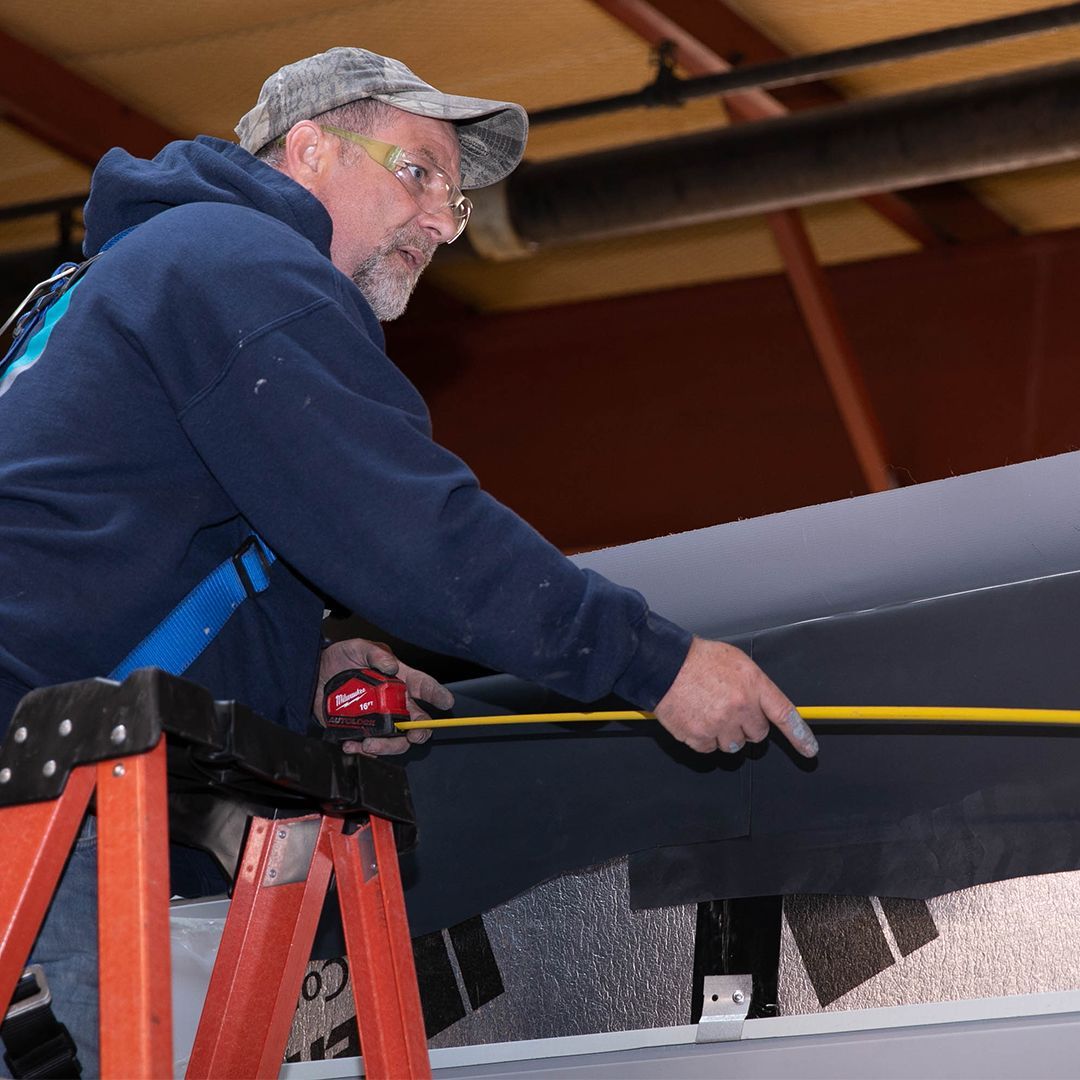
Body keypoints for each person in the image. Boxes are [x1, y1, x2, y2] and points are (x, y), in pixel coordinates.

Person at [0, 47, 818, 1075]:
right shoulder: (243, 262)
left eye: (457, 201)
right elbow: (412, 531)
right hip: (36, 785)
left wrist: (319, 649)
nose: (441, 221)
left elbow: (135, 533)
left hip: (55, 776)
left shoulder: (135, 274)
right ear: (305, 152)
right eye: (419, 172)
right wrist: (655, 662)